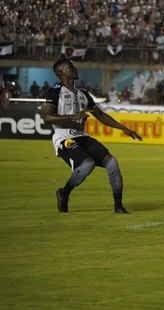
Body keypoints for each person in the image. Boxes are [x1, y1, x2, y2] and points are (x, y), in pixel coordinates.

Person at [42, 58, 142, 213]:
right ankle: (64, 193)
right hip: (64, 137)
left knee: (112, 163)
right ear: (62, 73)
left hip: (83, 136)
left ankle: (118, 207)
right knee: (87, 164)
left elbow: (100, 115)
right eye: (71, 67)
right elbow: (47, 117)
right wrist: (72, 117)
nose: (75, 68)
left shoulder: (83, 94)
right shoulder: (55, 90)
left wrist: (124, 128)